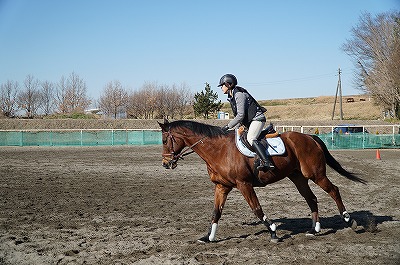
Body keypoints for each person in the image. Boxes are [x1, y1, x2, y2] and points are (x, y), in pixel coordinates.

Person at [218, 74, 274, 171]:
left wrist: (227, 126)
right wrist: (235, 128)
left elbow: (240, 115)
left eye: (222, 85)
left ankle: (267, 162)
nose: (221, 88)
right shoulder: (232, 95)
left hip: (257, 119)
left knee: (250, 138)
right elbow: (239, 117)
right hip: (250, 121)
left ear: (228, 84)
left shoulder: (238, 94)